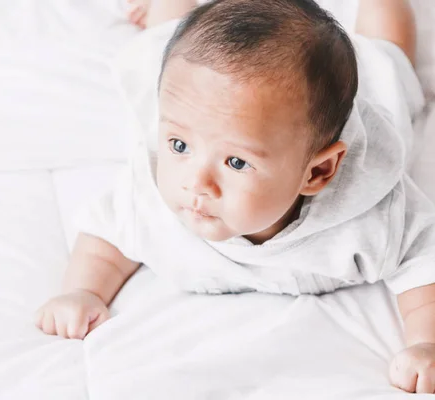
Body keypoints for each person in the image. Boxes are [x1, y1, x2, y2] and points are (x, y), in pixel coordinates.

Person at [37, 0, 435, 394]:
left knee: (385, 60)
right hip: (203, 94)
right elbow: (107, 237)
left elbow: (423, 262)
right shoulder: (159, 194)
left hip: (356, 101)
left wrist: (424, 342)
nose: (197, 182)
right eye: (178, 146)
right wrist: (83, 292)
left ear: (317, 172)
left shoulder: (369, 212)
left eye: (236, 163)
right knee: (167, 43)